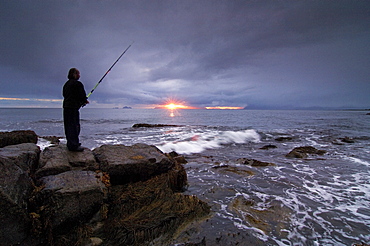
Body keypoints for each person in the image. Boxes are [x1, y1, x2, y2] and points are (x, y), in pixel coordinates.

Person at [62, 68, 89, 151]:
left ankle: (70, 143)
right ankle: (74, 145)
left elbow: (65, 95)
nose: (79, 76)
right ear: (74, 74)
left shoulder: (66, 84)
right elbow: (82, 95)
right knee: (75, 126)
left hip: (66, 107)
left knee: (68, 126)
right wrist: (84, 101)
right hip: (73, 108)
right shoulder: (78, 84)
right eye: (78, 74)